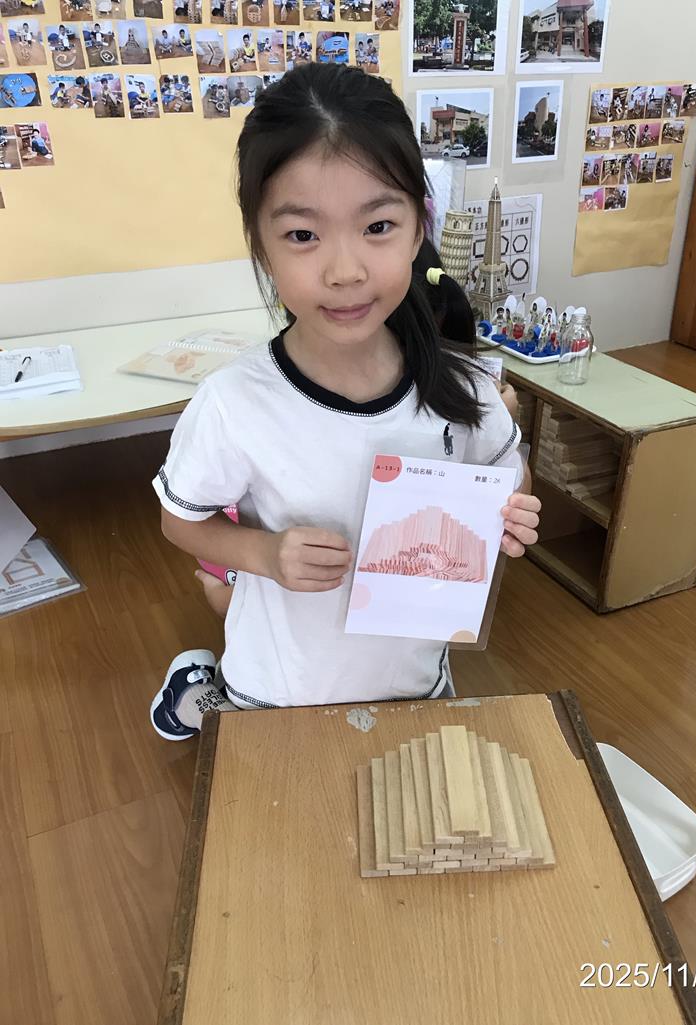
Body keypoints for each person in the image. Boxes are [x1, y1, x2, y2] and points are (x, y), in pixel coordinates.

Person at [149, 62, 540, 741]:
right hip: (276, 694)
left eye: (377, 225)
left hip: (415, 688)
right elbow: (180, 522)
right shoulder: (234, 402)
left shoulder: (466, 390)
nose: (345, 270)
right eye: (303, 235)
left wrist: (511, 513)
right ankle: (199, 688)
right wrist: (265, 555)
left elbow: (509, 476)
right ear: (262, 247)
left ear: (417, 228)